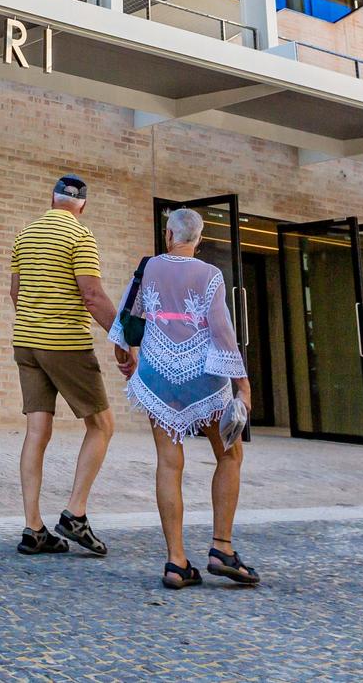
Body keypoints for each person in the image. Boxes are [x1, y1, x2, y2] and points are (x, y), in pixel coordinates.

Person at [111, 206, 258, 588]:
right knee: (229, 454)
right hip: (204, 378)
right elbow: (222, 331)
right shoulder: (210, 275)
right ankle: (221, 548)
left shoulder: (149, 268)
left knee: (168, 462)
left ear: (168, 235)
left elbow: (129, 317)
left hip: (158, 376)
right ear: (199, 239)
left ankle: (176, 562)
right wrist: (243, 385)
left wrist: (127, 354)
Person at [10, 175, 119, 557]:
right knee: (102, 424)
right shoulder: (81, 236)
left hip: (26, 344)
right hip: (66, 345)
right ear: (82, 206)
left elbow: (15, 292)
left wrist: (34, 324)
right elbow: (91, 294)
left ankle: (33, 528)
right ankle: (75, 513)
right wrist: (122, 338)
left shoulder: (25, 234)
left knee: (37, 430)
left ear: (51, 200)